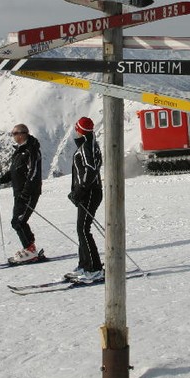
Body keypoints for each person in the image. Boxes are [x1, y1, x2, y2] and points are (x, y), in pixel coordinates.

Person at [0, 123, 43, 264]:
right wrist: (1, 180)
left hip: (28, 193)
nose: (13, 136)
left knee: (18, 221)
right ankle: (30, 248)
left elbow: (33, 173)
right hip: (20, 193)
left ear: (22, 134)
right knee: (19, 221)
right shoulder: (21, 151)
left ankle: (30, 251)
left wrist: (26, 192)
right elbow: (15, 171)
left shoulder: (31, 151)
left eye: (14, 134)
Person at [68, 117, 104, 281]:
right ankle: (85, 265)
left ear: (79, 130)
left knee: (83, 229)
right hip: (89, 192)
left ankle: (93, 268)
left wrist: (80, 190)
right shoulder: (90, 144)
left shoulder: (86, 147)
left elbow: (90, 169)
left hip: (89, 192)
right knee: (81, 229)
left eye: (76, 128)